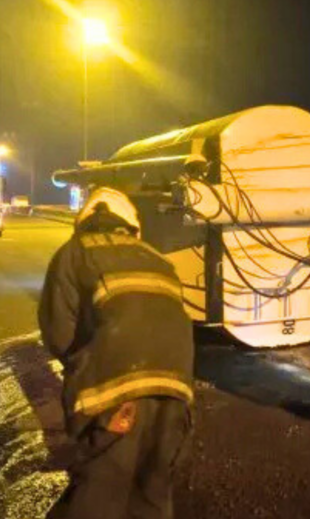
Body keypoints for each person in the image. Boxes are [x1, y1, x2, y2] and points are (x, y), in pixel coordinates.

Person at [39, 187, 194, 519]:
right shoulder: (157, 258)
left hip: (110, 396)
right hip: (176, 392)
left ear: (84, 223)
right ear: (132, 227)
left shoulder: (73, 252)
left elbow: (58, 334)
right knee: (153, 489)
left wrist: (82, 367)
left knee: (99, 490)